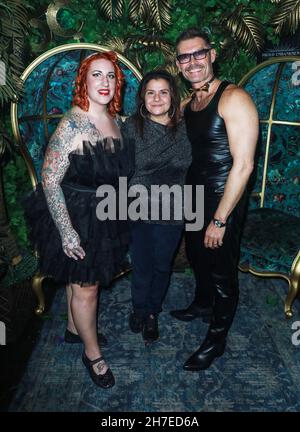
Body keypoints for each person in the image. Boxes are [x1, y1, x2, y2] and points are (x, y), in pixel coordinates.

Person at [24, 51, 134, 388]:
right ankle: (92, 354)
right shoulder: (73, 123)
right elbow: (49, 179)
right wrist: (67, 231)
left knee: (83, 281)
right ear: (83, 81)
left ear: (118, 84)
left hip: (106, 211)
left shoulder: (118, 120)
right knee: (87, 289)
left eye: (111, 76)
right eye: (96, 75)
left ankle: (74, 331)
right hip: (76, 214)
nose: (104, 82)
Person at [170, 28, 259, 370]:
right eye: (184, 57)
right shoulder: (190, 102)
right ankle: (202, 303)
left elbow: (245, 165)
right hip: (194, 194)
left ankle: (216, 340)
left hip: (225, 197)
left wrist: (220, 219)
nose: (192, 62)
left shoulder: (234, 98)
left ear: (212, 54)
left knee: (222, 271)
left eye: (198, 54)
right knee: (195, 253)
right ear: (178, 64)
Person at [121, 70, 192, 344]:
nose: (157, 98)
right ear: (143, 97)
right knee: (141, 264)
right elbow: (120, 168)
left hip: (174, 208)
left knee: (162, 265)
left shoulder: (186, 128)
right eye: (150, 92)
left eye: (163, 92)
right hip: (137, 207)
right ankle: (139, 308)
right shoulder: (131, 126)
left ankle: (152, 312)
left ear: (172, 95)